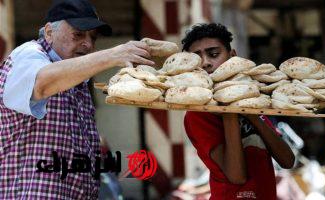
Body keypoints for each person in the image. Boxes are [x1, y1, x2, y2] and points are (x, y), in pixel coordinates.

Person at [0, 0, 154, 199]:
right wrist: (114, 54)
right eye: (78, 34)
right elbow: (42, 83)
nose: (88, 44)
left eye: (93, 37)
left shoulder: (76, 74)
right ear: (48, 32)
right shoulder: (28, 55)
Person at [182, 23, 295, 200]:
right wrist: (230, 111)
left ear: (233, 56)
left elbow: (287, 161)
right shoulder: (198, 115)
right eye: (197, 59)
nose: (205, 63)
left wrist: (252, 114)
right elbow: (237, 176)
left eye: (213, 54)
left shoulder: (250, 100)